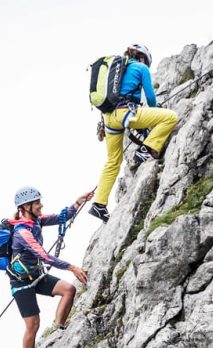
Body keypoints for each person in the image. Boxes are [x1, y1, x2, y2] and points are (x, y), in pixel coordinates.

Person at [89, 43, 178, 223]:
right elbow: (151, 98)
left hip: (109, 119)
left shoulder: (117, 70)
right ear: (143, 58)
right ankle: (146, 149)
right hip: (125, 113)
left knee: (113, 160)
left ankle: (98, 204)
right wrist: (155, 110)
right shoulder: (141, 67)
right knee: (170, 117)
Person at [8, 187, 91, 348]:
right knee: (33, 324)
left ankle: (58, 329)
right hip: (21, 283)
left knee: (69, 290)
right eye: (37, 203)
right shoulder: (22, 232)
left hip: (36, 275)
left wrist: (78, 202)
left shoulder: (37, 220)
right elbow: (44, 256)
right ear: (26, 206)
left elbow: (62, 217)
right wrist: (71, 267)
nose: (41, 205)